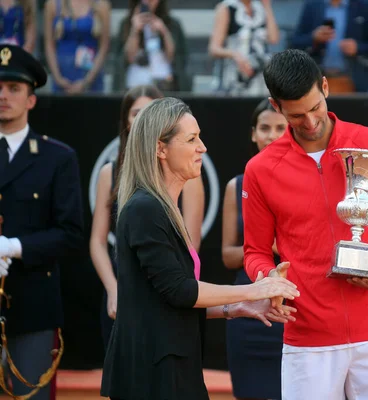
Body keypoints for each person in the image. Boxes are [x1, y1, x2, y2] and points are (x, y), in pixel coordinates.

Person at [242, 49, 368, 400]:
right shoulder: (261, 170)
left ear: (325, 87)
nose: (310, 122)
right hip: (307, 338)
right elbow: (255, 251)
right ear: (276, 107)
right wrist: (268, 280)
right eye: (296, 115)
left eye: (315, 108)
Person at [100, 97, 299, 400]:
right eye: (191, 139)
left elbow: (167, 300)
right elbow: (180, 290)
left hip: (175, 367)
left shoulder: (162, 208)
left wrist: (235, 309)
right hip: (152, 375)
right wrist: (254, 290)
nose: (202, 147)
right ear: (160, 148)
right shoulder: (145, 209)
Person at [89, 84, 205, 351]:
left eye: (149, 112)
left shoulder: (188, 175)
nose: (142, 119)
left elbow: (189, 249)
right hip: (126, 287)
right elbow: (97, 241)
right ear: (126, 120)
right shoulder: (116, 176)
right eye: (136, 113)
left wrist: (231, 303)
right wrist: (113, 289)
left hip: (172, 290)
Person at [0, 44, 84, 399]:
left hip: (32, 304)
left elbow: (70, 234)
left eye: (14, 88)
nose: (3, 95)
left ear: (31, 99)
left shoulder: (57, 158)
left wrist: (14, 247)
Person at [222, 98, 287, 400]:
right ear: (253, 133)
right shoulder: (236, 186)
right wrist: (263, 249)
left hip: (291, 312)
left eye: (279, 128)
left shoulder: (306, 183)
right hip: (247, 309)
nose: (272, 135)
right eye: (264, 128)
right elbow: (227, 255)